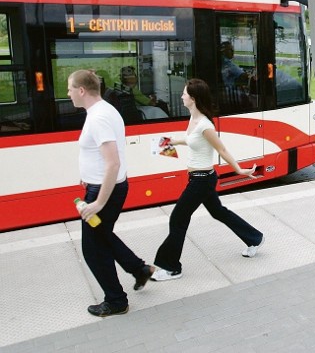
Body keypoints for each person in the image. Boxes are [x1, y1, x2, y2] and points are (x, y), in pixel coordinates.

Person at [151, 78, 264, 281]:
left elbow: (221, 149)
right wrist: (168, 142)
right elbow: (191, 140)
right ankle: (254, 238)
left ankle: (171, 268)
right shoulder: (193, 119)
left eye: (184, 93)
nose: (181, 96)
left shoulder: (205, 125)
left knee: (177, 219)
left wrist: (239, 170)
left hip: (201, 180)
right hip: (200, 177)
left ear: (193, 98)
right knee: (218, 212)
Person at [67, 70, 155, 317]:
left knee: (92, 249)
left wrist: (97, 203)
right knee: (103, 236)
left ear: (82, 90)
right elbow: (101, 154)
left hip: (105, 191)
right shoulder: (102, 110)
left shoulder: (99, 118)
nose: (68, 93)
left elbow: (112, 163)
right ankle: (139, 269)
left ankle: (116, 300)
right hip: (103, 186)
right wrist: (88, 173)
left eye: (70, 88)